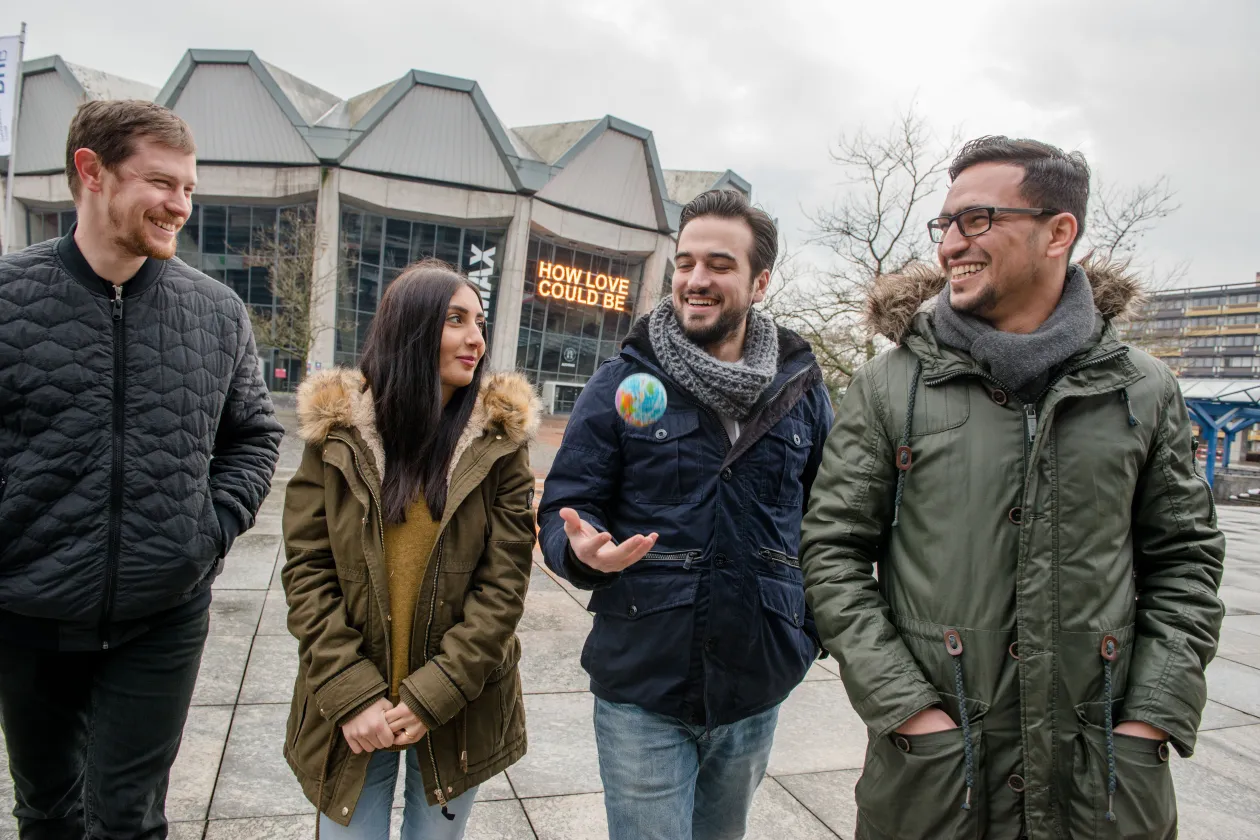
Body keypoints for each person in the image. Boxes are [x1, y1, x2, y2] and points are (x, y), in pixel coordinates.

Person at [801, 136, 1226, 839]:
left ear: (1058, 232)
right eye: (945, 224)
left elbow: (1187, 559)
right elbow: (831, 553)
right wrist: (909, 710)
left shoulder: (1145, 388)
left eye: (977, 220)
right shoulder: (889, 384)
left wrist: (1152, 718)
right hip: (939, 783)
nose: (950, 245)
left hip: (1102, 785)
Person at [0, 100, 283, 838]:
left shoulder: (217, 312)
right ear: (91, 171)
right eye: (161, 182)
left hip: (163, 614)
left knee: (129, 820)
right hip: (28, 613)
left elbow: (254, 436)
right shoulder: (6, 297)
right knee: (47, 812)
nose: (180, 205)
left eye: (188, 188)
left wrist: (207, 533)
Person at [538, 189, 834, 840]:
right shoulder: (623, 382)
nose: (696, 279)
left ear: (760, 282)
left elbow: (828, 526)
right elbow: (566, 504)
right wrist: (580, 551)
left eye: (719, 265)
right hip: (642, 685)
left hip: (755, 688)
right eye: (686, 262)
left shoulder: (802, 394)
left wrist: (803, 634)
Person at [281, 260, 539, 839]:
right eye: (456, 320)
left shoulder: (500, 444)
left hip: (458, 708)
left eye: (479, 322)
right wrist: (351, 694)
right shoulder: (337, 436)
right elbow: (307, 573)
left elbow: (504, 588)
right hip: (352, 709)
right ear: (411, 328)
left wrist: (435, 695)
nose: (476, 339)